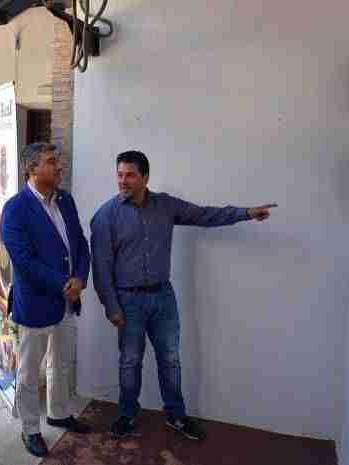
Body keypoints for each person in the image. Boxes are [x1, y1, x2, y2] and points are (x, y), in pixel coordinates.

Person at [90, 150, 276, 441]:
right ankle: (127, 415)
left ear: (145, 177)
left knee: (170, 359)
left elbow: (205, 215)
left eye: (130, 175)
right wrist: (111, 306)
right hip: (128, 302)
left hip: (163, 297)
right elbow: (101, 268)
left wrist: (246, 213)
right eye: (120, 174)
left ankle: (176, 415)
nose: (123, 181)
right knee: (130, 361)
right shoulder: (105, 216)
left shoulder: (165, 206)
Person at [0, 142, 91, 458]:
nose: (59, 166)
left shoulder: (65, 200)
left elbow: (80, 243)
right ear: (32, 168)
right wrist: (64, 283)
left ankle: (59, 413)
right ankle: (30, 429)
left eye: (57, 160)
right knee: (28, 372)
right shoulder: (16, 208)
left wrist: (81, 278)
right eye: (51, 161)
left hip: (68, 300)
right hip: (36, 303)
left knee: (61, 363)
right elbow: (23, 260)